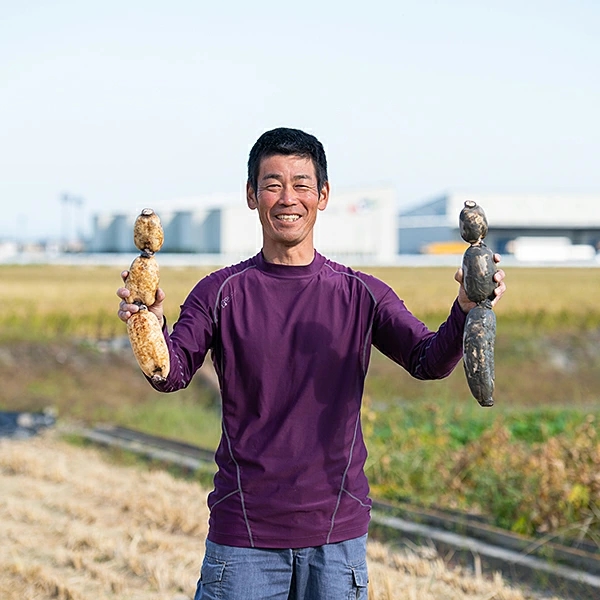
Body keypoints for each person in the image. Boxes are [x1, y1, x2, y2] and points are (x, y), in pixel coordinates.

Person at [117, 127, 506, 600]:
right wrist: (149, 325)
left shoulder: (360, 293)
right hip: (245, 537)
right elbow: (170, 373)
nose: (288, 198)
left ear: (323, 196)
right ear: (251, 195)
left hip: (336, 538)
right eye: (273, 183)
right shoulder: (218, 293)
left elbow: (428, 359)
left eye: (301, 184)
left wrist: (466, 306)